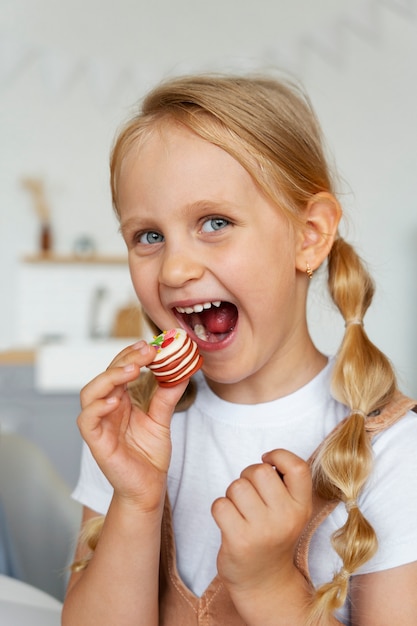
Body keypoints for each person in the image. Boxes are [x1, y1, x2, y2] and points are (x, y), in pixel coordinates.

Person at [61, 73, 417, 626]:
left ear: (309, 236)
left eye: (215, 222)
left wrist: (268, 582)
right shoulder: (130, 426)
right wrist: (135, 502)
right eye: (148, 236)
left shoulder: (395, 453)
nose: (176, 269)